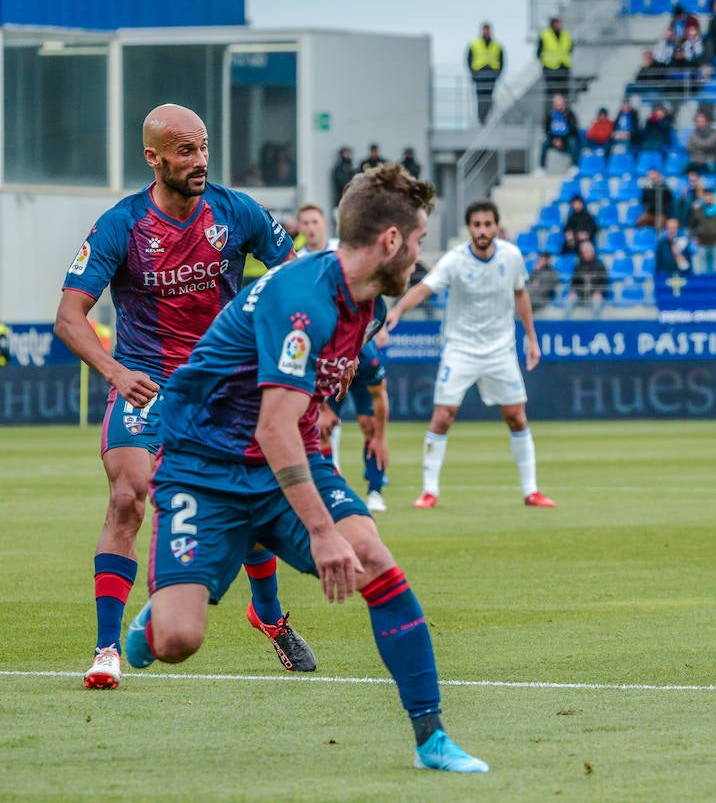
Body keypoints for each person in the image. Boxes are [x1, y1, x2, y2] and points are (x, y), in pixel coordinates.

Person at [120, 163, 488, 773]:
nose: (421, 256)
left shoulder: (364, 307)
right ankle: (158, 614)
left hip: (285, 459)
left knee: (373, 560)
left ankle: (432, 740)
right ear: (391, 242)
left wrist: (327, 430)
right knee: (179, 642)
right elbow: (272, 425)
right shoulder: (305, 299)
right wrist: (321, 532)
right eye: (419, 240)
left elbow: (304, 410)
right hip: (202, 468)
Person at [54, 103, 305, 691]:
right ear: (154, 157)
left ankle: (267, 614)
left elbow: (293, 274)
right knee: (128, 498)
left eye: (204, 148)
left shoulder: (237, 210)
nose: (200, 161)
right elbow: (69, 318)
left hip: (220, 385)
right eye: (186, 151)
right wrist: (115, 372)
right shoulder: (121, 224)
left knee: (249, 512)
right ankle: (107, 649)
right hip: (144, 380)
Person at [387, 200, 548, 508]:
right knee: (442, 417)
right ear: (470, 228)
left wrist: (531, 338)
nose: (483, 230)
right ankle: (429, 491)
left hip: (500, 349)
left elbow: (520, 294)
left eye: (488, 224)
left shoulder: (511, 256)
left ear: (496, 227)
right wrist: (398, 310)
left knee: (516, 417)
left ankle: (531, 490)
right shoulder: (455, 260)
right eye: (477, 224)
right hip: (460, 349)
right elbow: (424, 289)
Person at [318, 334, 392, 512]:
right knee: (321, 428)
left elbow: (379, 396)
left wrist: (380, 437)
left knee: (371, 426)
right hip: (331, 374)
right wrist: (322, 408)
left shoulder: (368, 359)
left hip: (359, 376)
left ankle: (375, 492)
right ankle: (330, 490)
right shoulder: (324, 349)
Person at [467, 22, 504, 124]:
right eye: (485, 30)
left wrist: (498, 74)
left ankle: (486, 117)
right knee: (481, 97)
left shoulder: (496, 45)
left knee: (489, 97)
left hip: (491, 74)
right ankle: (481, 119)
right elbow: (469, 59)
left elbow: (501, 60)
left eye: (487, 30)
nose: (486, 32)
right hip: (480, 74)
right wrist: (473, 73)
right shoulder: (475, 44)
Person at [566, 238, 610, 317]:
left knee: (596, 301)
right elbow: (574, 282)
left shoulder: (600, 265)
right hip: (580, 293)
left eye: (588, 251)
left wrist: (599, 292)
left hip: (595, 293)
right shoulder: (579, 265)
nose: (587, 253)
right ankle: (566, 325)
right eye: (585, 252)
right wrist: (573, 291)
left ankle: (596, 326)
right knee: (569, 299)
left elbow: (605, 282)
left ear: (592, 251)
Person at [539, 93, 581, 174]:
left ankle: (574, 166)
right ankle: (541, 168)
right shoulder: (550, 115)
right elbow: (546, 129)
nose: (558, 106)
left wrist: (562, 139)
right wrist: (554, 139)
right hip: (554, 140)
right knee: (544, 144)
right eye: (556, 104)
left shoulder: (570, 114)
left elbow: (573, 129)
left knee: (573, 143)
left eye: (560, 104)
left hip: (567, 139)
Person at [538, 16, 573, 104]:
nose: (559, 25)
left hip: (563, 66)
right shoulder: (545, 35)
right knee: (551, 93)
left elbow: (571, 48)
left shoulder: (566, 35)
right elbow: (539, 52)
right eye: (557, 23)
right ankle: (551, 113)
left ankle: (564, 111)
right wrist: (547, 61)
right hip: (550, 68)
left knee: (564, 92)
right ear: (552, 24)